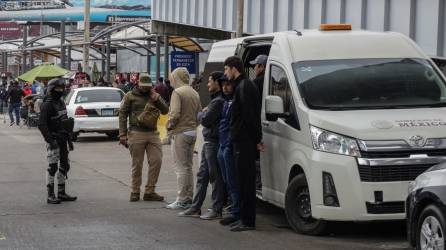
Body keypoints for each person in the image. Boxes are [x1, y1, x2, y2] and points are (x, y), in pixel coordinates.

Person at [178, 71, 225, 219]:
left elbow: (204, 120)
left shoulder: (218, 101)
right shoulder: (215, 100)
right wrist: (204, 112)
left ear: (218, 82)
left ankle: (216, 209)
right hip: (208, 142)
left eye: (210, 81)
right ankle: (195, 207)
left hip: (213, 142)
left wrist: (201, 113)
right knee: (202, 175)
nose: (208, 84)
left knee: (214, 176)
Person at [224, 56, 263, 232]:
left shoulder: (245, 86)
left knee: (247, 182)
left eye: (226, 69)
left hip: (246, 142)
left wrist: (257, 139)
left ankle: (248, 221)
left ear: (234, 68)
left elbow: (250, 116)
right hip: (240, 141)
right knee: (241, 180)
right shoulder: (240, 86)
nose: (225, 73)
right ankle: (241, 217)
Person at [119, 73, 169, 202]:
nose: (145, 89)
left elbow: (165, 111)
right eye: (143, 86)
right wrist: (122, 134)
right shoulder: (129, 96)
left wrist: (156, 98)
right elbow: (123, 115)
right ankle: (135, 191)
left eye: (148, 86)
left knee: (156, 161)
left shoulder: (154, 95)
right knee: (137, 164)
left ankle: (150, 191)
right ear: (138, 84)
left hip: (153, 133)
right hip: (136, 133)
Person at [166, 67, 202, 210]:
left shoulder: (177, 92)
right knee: (188, 167)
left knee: (180, 167)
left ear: (176, 78)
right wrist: (193, 125)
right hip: (192, 132)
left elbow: (174, 114)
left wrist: (169, 126)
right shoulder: (194, 92)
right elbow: (199, 114)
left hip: (180, 133)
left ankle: (182, 199)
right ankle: (189, 197)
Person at [38, 78, 77, 204]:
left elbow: (65, 121)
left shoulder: (61, 102)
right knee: (52, 167)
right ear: (51, 89)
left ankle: (61, 192)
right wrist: (50, 140)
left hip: (63, 138)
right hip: (53, 139)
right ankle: (50, 195)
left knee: (65, 165)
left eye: (62, 88)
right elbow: (42, 125)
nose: (60, 91)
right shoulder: (47, 105)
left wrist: (69, 139)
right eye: (58, 89)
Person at [216, 76, 240, 227]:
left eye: (228, 85)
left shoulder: (235, 102)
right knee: (227, 181)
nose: (225, 87)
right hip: (222, 144)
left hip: (228, 145)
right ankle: (232, 208)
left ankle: (236, 212)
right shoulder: (226, 102)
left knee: (233, 181)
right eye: (223, 85)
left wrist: (229, 143)